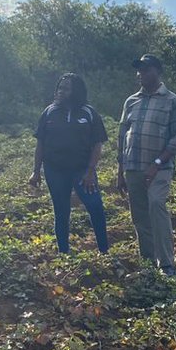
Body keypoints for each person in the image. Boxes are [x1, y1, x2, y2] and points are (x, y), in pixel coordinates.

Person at [116, 54, 176, 275]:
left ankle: (166, 263)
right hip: (133, 166)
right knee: (139, 215)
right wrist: (120, 171)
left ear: (157, 71)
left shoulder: (172, 101)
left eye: (145, 70)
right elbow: (122, 135)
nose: (140, 74)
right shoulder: (131, 101)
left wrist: (157, 163)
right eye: (139, 70)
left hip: (160, 168)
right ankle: (148, 261)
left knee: (156, 205)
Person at [28, 73, 110, 254]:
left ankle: (104, 252)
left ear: (76, 91)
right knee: (61, 210)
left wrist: (90, 171)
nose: (60, 91)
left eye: (66, 88)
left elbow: (97, 144)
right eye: (59, 87)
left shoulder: (89, 113)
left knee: (95, 206)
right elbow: (40, 143)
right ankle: (63, 253)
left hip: (82, 170)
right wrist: (36, 171)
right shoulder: (49, 112)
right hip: (54, 170)